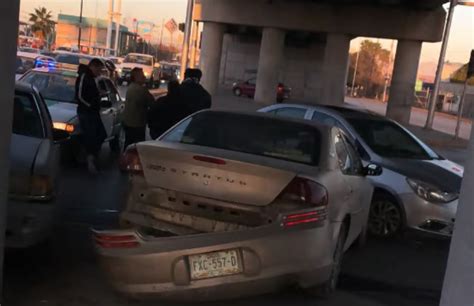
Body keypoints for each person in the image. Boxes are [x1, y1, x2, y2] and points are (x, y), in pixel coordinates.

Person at [75, 58, 107, 175]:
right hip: (86, 112)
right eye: (99, 69)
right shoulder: (84, 77)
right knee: (91, 135)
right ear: (93, 66)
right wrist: (90, 105)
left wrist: (99, 95)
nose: (100, 72)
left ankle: (90, 156)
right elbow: (80, 95)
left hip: (93, 111)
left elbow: (91, 94)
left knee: (101, 134)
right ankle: (89, 158)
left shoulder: (92, 79)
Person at [122, 67, 155, 149]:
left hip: (129, 122)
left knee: (128, 144)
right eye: (142, 75)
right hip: (137, 124)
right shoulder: (141, 90)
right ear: (136, 77)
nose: (144, 77)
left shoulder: (131, 87)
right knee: (137, 148)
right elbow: (152, 102)